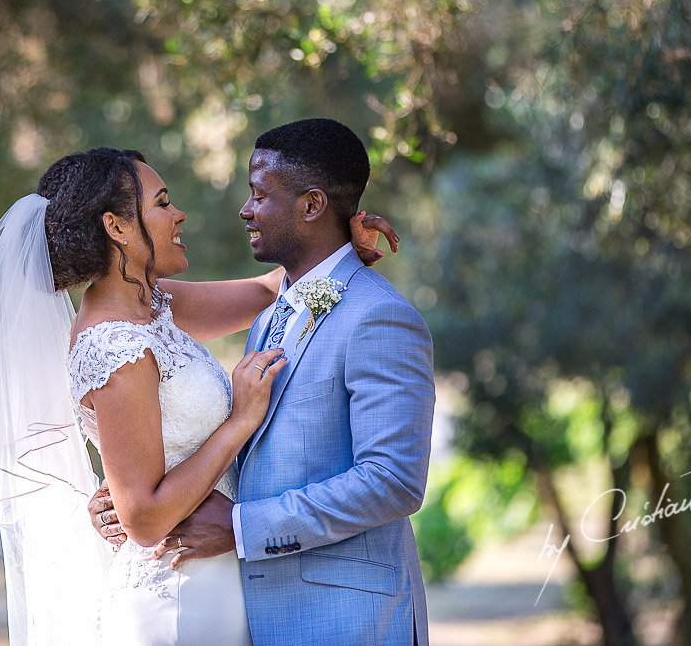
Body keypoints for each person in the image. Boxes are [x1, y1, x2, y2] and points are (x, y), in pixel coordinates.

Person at [0, 144, 398, 645]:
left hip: (217, 585)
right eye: (161, 203)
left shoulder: (155, 307)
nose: (178, 215)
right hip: (175, 600)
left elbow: (270, 292)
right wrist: (239, 421)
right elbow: (147, 519)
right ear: (117, 227)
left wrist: (337, 245)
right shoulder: (115, 345)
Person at [90, 119, 435, 646]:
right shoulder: (267, 317)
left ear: (311, 205)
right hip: (244, 611)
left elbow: (393, 481)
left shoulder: (379, 317)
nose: (245, 210)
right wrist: (130, 489)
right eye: (162, 203)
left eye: (258, 195)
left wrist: (241, 527)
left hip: (346, 620)